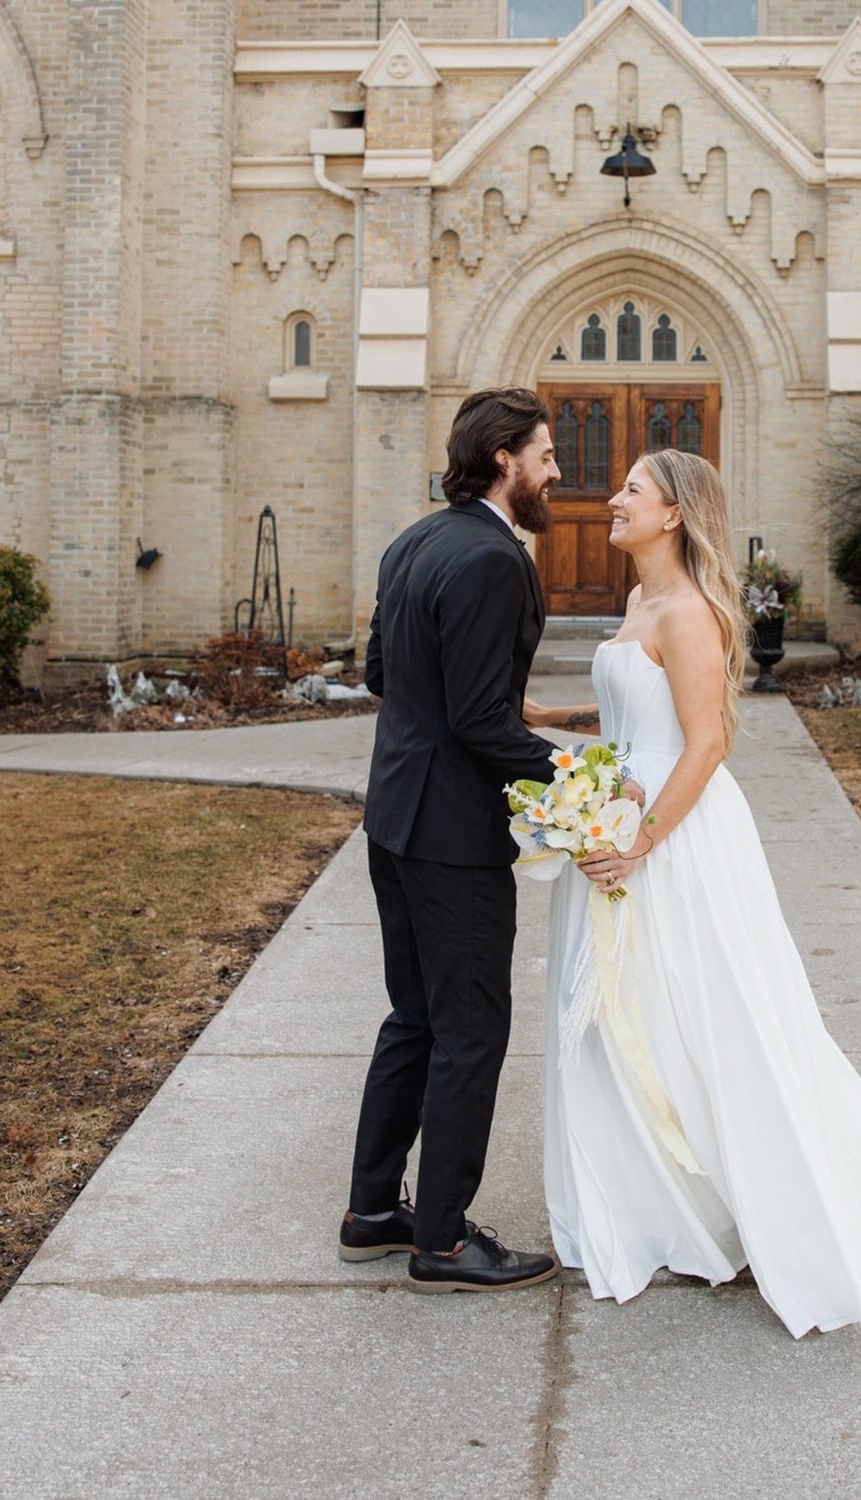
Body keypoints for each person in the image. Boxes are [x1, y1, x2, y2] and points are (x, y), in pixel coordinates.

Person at [524, 449, 861, 1337]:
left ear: (674, 513)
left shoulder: (688, 612)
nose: (612, 500)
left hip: (673, 837)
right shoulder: (639, 601)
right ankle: (650, 1205)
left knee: (700, 1013)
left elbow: (706, 743)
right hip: (620, 817)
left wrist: (638, 843)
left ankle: (763, 1197)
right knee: (615, 1016)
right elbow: (644, 717)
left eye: (631, 491)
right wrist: (554, 724)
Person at [340, 387, 565, 1293]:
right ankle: (441, 1240)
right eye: (546, 455)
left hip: (394, 816)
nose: (558, 472)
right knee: (470, 1028)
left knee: (417, 1017)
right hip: (451, 836)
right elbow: (481, 721)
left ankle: (372, 1211)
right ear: (505, 457)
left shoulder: (415, 540)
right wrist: (581, 775)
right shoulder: (489, 560)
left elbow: (380, 675)